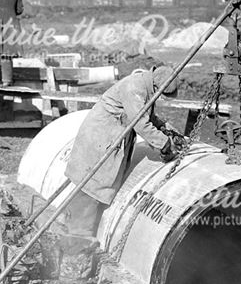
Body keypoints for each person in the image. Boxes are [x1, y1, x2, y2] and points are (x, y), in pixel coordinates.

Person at [62, 65, 180, 261]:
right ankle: (76, 253)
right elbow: (140, 123)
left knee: (94, 190)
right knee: (89, 190)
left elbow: (146, 116)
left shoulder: (144, 85)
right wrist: (164, 143)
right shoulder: (135, 88)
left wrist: (165, 128)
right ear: (159, 86)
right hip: (100, 141)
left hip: (107, 139)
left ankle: (82, 242)